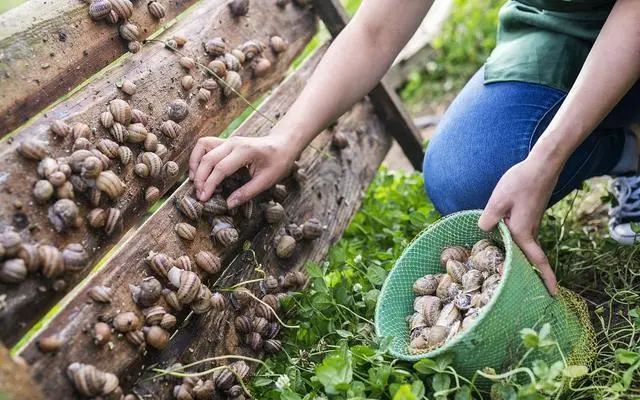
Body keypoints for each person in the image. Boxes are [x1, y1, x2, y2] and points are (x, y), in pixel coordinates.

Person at [189, 0, 640, 295]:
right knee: (466, 177)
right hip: (564, 25)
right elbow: (375, 32)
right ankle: (630, 151)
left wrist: (548, 157)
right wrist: (284, 139)